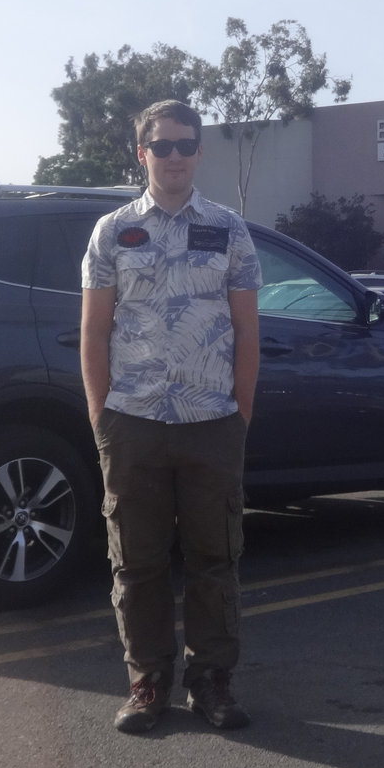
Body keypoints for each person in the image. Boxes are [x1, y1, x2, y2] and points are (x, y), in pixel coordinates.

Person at [81, 99, 262, 732]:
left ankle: (211, 682)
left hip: (212, 421)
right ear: (143, 153)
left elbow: (247, 331)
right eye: (163, 146)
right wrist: (103, 419)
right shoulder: (112, 232)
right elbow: (95, 331)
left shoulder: (229, 230)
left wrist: (239, 416)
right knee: (138, 563)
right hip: (133, 421)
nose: (175, 156)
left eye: (186, 145)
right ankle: (147, 681)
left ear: (200, 152)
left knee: (216, 560)